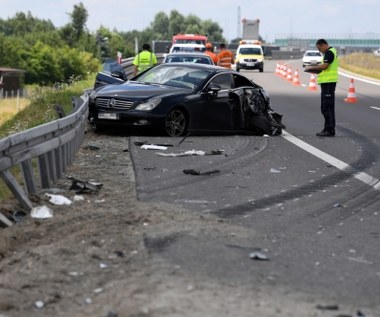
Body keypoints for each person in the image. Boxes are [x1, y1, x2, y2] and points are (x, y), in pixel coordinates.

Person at [305, 39, 338, 137]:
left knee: (326, 107)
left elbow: (325, 66)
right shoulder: (330, 52)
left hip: (328, 83)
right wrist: (316, 70)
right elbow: (325, 68)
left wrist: (311, 68)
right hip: (327, 83)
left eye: (320, 49)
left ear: (323, 45)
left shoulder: (329, 53)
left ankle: (329, 129)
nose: (320, 51)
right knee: (327, 107)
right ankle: (329, 129)